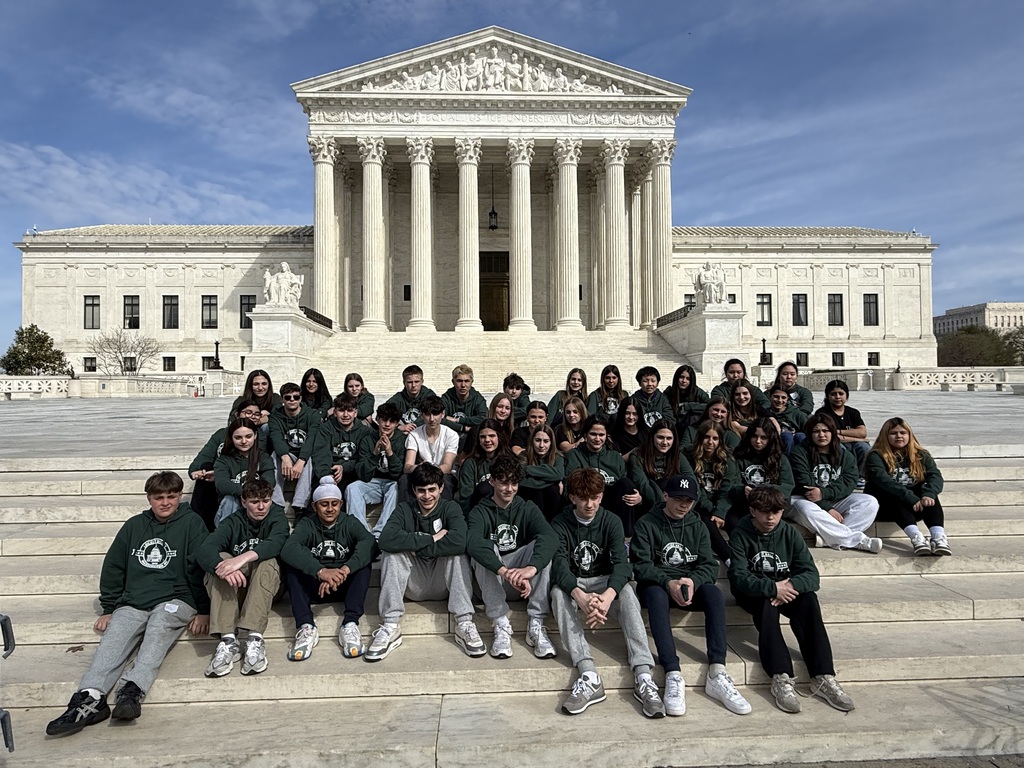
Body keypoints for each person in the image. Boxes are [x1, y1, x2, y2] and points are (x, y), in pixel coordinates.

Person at [45, 472, 209, 736]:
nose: (165, 502)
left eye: (171, 496)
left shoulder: (192, 523)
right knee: (116, 635)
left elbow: (198, 568)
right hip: (135, 599)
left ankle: (131, 691)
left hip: (177, 599)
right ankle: (90, 698)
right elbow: (114, 566)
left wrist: (203, 609)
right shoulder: (134, 526)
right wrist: (109, 607)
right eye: (159, 497)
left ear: (180, 496)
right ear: (149, 498)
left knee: (159, 626)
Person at [630, 472, 752, 717]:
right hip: (658, 584)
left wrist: (692, 581)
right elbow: (641, 566)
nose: (683, 505)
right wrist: (668, 582)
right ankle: (672, 672)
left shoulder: (698, 524)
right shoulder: (647, 523)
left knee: (714, 593)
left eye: (689, 500)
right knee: (655, 596)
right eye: (678, 498)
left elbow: (709, 565)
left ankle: (717, 671)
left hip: (689, 585)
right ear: (665, 496)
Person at [728, 486, 856, 714]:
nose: (770, 518)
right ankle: (781, 676)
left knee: (808, 600)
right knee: (766, 605)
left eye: (776, 512)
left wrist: (790, 586)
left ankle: (822, 676)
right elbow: (738, 576)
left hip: (785, 588)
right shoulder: (740, 533)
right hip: (753, 593)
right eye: (765, 512)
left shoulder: (789, 533)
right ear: (752, 510)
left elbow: (811, 574)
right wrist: (771, 588)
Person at [550, 468, 664, 717]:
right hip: (576, 582)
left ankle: (643, 674)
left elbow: (622, 564)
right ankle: (588, 674)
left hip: (603, 582)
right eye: (583, 498)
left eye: (595, 497)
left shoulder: (611, 520)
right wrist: (580, 596)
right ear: (572, 497)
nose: (590, 504)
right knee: (558, 593)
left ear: (602, 496)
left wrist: (608, 596)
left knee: (627, 592)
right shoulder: (560, 523)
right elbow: (558, 565)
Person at [372, 463, 485, 661]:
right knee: (392, 555)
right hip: (413, 582)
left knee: (457, 555)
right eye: (421, 490)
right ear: (413, 490)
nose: (427, 496)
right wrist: (431, 538)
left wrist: (415, 546)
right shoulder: (404, 509)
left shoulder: (450, 507)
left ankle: (464, 622)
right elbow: (386, 540)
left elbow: (459, 541)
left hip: (443, 582)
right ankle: (390, 624)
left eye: (432, 489)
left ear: (441, 488)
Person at [466, 455, 558, 659]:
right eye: (504, 483)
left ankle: (536, 623)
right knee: (484, 548)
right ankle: (500, 622)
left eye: (514, 483)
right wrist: (504, 572)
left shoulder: (527, 507)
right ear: (492, 481)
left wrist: (531, 569)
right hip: (493, 581)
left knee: (541, 547)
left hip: (522, 584)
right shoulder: (480, 511)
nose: (509, 489)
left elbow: (550, 537)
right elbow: (472, 542)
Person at [198, 479, 288, 677]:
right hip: (237, 588)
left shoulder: (277, 516)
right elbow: (205, 550)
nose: (261, 507)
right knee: (221, 560)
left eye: (266, 501)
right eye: (255, 502)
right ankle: (228, 640)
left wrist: (241, 559)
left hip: (268, 586)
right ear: (244, 501)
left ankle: (254, 637)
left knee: (267, 561)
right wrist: (225, 567)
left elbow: (277, 541)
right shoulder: (233, 521)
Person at [281, 478, 375, 661]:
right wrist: (321, 572)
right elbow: (289, 548)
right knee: (292, 566)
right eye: (324, 504)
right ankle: (306, 626)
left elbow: (369, 543)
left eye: (334, 504)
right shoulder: (307, 524)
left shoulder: (349, 522)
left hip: (343, 585)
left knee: (363, 565)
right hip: (316, 587)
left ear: (341, 504)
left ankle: (350, 624)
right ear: (314, 506)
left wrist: (344, 570)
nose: (330, 509)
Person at [788, 414, 882, 553]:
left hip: (832, 498)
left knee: (870, 502)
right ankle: (860, 541)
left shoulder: (845, 455)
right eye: (816, 431)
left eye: (825, 431)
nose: (821, 435)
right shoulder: (799, 453)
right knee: (805, 508)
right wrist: (827, 508)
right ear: (810, 434)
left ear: (832, 432)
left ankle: (828, 539)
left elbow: (849, 482)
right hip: (803, 499)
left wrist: (824, 494)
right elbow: (805, 484)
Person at [865, 417, 949, 555]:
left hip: (914, 506)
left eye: (903, 433)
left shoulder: (921, 454)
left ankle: (938, 537)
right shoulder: (876, 455)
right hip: (885, 506)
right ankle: (916, 538)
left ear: (909, 435)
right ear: (885, 436)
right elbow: (883, 480)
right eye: (893, 433)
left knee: (928, 494)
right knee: (892, 492)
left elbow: (935, 476)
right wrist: (909, 497)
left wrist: (929, 493)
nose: (899, 436)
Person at [189, 400, 266, 531]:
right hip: (220, 476)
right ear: (237, 414)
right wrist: (196, 470)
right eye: (248, 412)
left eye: (257, 414)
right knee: (206, 469)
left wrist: (221, 474)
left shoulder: (260, 436)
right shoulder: (222, 434)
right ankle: (199, 525)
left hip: (244, 478)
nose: (252, 416)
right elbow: (205, 454)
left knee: (229, 496)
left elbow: (251, 461)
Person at [564, 414, 643, 537]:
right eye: (593, 434)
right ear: (585, 435)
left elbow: (626, 483)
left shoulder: (615, 457)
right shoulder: (574, 455)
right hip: (586, 501)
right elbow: (569, 486)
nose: (597, 439)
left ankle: (626, 537)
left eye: (601, 435)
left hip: (611, 501)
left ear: (607, 436)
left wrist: (638, 498)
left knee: (626, 484)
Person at [345, 402, 407, 539]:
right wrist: (374, 454)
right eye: (384, 420)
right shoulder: (368, 440)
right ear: (377, 419)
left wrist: (390, 453)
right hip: (372, 482)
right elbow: (363, 475)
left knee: (395, 488)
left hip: (392, 483)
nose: (387, 424)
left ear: (397, 423)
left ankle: (380, 534)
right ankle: (360, 533)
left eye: (392, 421)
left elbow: (397, 474)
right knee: (352, 488)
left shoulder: (401, 440)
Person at [687, 421, 741, 562]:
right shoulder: (689, 457)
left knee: (734, 523)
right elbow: (697, 489)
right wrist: (713, 511)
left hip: (722, 504)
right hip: (700, 504)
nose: (710, 442)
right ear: (700, 437)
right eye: (706, 437)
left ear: (720, 440)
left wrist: (719, 513)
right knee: (708, 522)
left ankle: (748, 558)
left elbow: (727, 490)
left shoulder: (727, 460)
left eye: (715, 438)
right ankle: (729, 561)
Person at [730, 417, 795, 528]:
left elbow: (787, 487)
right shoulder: (739, 457)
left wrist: (761, 491)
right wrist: (742, 490)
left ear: (771, 438)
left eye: (763, 437)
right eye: (754, 436)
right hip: (745, 505)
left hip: (772, 507)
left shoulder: (781, 459)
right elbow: (732, 485)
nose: (758, 441)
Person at [268, 382, 320, 515]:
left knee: (311, 458)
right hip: (288, 454)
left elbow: (311, 439)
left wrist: (301, 461)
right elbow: (276, 438)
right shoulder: (275, 416)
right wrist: (285, 458)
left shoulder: (312, 415)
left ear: (300, 398)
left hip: (305, 454)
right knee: (274, 456)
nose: (292, 400)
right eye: (288, 397)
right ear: (282, 399)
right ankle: (277, 503)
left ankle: (300, 505)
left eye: (296, 397)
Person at [213, 418, 276, 527]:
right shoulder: (223, 460)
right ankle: (227, 534)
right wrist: (247, 494)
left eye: (248, 436)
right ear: (231, 438)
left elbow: (269, 482)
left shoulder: (264, 458)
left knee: (267, 501)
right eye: (238, 437)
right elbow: (222, 485)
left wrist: (252, 498)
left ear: (255, 436)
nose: (243, 441)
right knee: (230, 499)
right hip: (232, 507)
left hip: (257, 503)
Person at [310, 393, 374, 497]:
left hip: (353, 474)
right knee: (323, 493)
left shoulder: (365, 432)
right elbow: (321, 454)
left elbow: (363, 459)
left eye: (350, 410)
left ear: (355, 413)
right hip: (330, 472)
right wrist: (327, 476)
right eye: (341, 410)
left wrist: (344, 467)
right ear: (335, 412)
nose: (345, 415)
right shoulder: (325, 429)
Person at [628, 419, 694, 513]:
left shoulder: (678, 456)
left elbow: (692, 483)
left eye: (669, 438)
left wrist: (687, 506)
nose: (665, 442)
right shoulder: (637, 456)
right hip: (650, 506)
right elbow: (644, 486)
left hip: (676, 506)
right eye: (660, 437)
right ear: (652, 437)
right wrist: (666, 507)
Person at [401, 395, 459, 500]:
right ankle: (407, 510)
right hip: (421, 474)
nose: (432, 419)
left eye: (435, 414)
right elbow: (407, 466)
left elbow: (447, 466)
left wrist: (428, 471)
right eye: (428, 414)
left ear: (443, 414)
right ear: (421, 415)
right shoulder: (414, 435)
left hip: (442, 474)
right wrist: (419, 468)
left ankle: (445, 510)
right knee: (404, 480)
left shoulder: (451, 435)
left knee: (447, 481)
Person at [816, 380, 870, 484]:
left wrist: (839, 431)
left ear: (847, 396)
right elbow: (830, 436)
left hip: (852, 443)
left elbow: (862, 433)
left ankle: (860, 476)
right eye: (833, 394)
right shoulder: (822, 413)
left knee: (864, 447)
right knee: (840, 448)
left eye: (841, 393)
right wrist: (856, 437)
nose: (837, 397)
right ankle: (842, 477)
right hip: (834, 443)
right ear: (827, 396)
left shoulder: (853, 412)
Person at [457, 419, 513, 513]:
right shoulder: (470, 463)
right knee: (484, 488)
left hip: (505, 511)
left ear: (499, 437)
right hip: (478, 512)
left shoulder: (510, 461)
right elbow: (465, 499)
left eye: (491, 436)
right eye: (482, 437)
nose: (487, 440)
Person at [519, 424, 564, 520]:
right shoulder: (523, 455)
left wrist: (527, 469)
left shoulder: (557, 457)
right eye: (538, 440)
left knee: (552, 490)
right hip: (529, 500)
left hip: (551, 506)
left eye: (546, 441)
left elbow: (559, 474)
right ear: (532, 440)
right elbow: (520, 481)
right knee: (537, 492)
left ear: (551, 442)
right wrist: (552, 480)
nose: (541, 445)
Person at [387, 364, 437, 434]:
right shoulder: (398, 398)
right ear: (404, 383)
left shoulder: (429, 395)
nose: (413, 385)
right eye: (409, 382)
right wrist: (398, 426)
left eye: (416, 382)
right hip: (404, 432)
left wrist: (413, 427)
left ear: (422, 381)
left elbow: (436, 415)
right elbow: (383, 413)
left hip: (425, 432)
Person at [441, 364, 487, 439]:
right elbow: (439, 418)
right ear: (453, 382)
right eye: (459, 381)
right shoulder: (446, 398)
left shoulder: (478, 399)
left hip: (472, 439)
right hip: (449, 438)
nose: (463, 385)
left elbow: (483, 418)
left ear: (472, 382)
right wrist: (463, 428)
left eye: (466, 381)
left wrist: (457, 420)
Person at [665, 364, 709, 433]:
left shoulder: (698, 393)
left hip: (692, 428)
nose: (684, 381)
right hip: (673, 427)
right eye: (681, 377)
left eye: (688, 379)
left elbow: (710, 406)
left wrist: (688, 406)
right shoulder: (669, 392)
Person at [768, 383, 808, 454]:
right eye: (776, 397)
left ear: (787, 399)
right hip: (773, 448)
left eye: (783, 398)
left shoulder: (798, 415)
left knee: (800, 436)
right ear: (770, 397)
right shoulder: (765, 414)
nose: (779, 400)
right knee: (787, 437)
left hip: (797, 449)